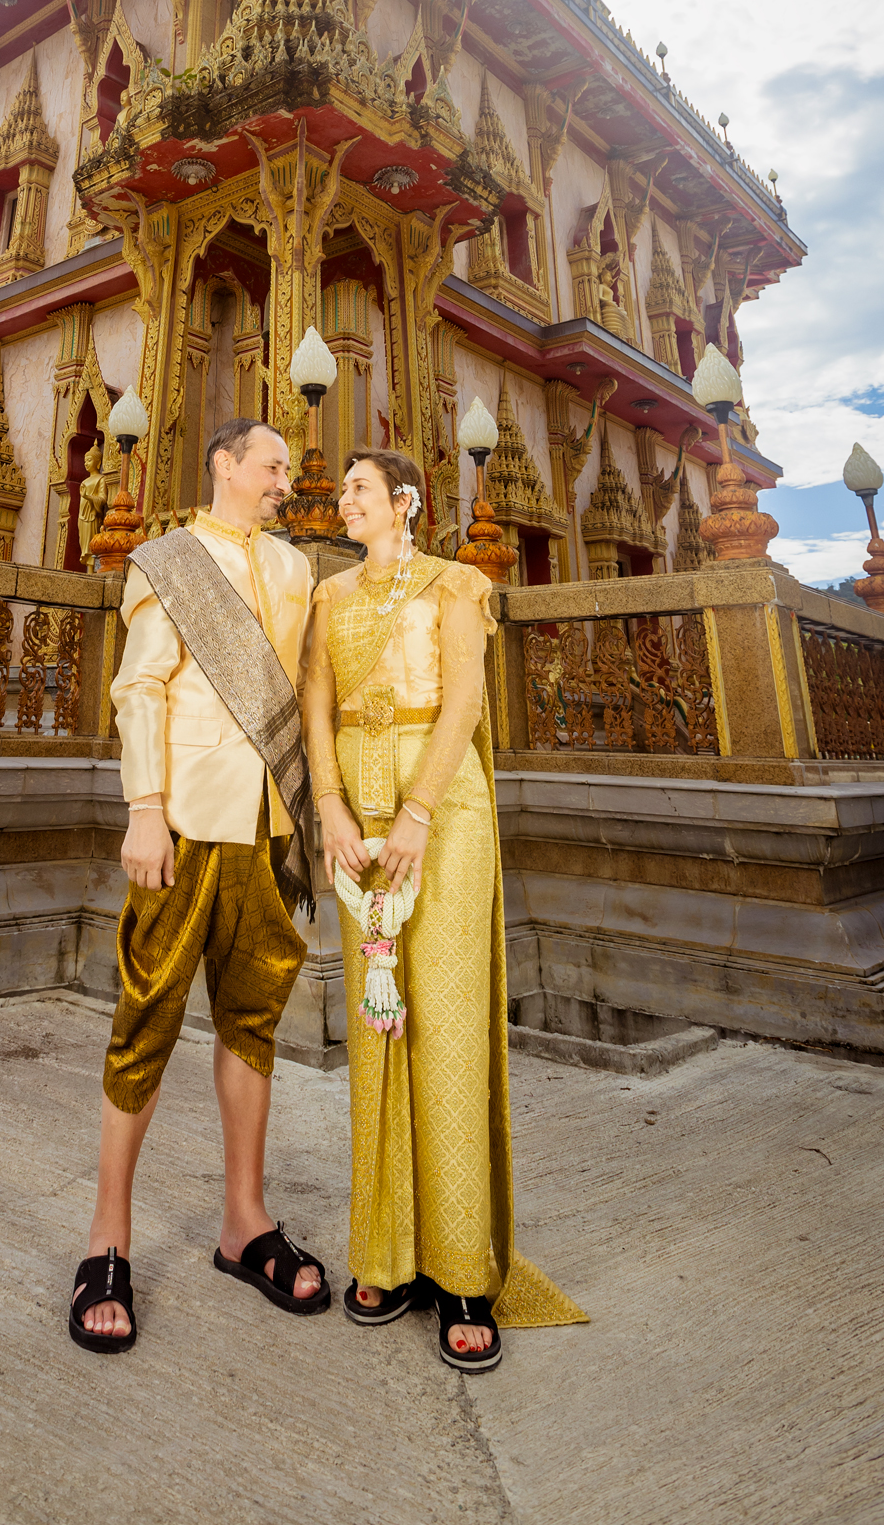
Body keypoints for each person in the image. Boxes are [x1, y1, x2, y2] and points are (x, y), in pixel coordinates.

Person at [303, 447, 587, 1372]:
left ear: (405, 503)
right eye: (343, 488)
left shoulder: (457, 582)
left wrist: (420, 809)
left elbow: (464, 695)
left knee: (450, 1022)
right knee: (378, 1020)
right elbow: (314, 707)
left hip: (442, 800)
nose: (344, 500)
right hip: (357, 801)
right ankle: (386, 1250)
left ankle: (464, 1268)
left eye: (359, 488)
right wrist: (332, 808)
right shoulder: (329, 596)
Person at [67, 417, 331, 1353]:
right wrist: (143, 807)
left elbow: (307, 692)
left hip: (267, 826)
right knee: (147, 1017)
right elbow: (138, 689)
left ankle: (244, 1222)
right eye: (272, 466)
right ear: (225, 465)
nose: (283, 483)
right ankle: (107, 1241)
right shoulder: (166, 562)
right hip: (180, 824)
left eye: (288, 472)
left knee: (252, 1018)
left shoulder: (298, 571)